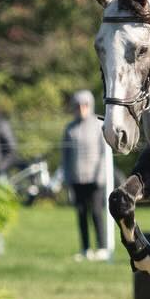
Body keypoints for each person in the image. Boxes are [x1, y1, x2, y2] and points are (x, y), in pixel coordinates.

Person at [61, 90, 110, 261]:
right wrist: (67, 179)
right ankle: (85, 248)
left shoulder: (99, 124)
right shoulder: (70, 129)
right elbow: (65, 156)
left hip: (95, 179)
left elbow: (105, 154)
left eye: (85, 105)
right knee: (81, 214)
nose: (82, 108)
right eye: (78, 105)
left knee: (96, 213)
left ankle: (102, 247)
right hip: (77, 179)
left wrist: (101, 176)